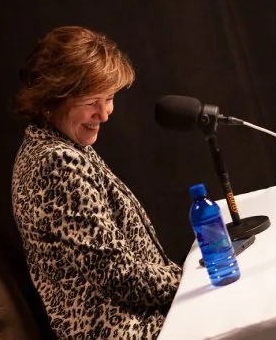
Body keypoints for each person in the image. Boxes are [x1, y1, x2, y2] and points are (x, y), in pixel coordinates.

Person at [11, 26, 182, 339]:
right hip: (127, 330)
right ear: (53, 98)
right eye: (92, 101)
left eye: (110, 98)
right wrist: (190, 283)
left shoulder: (55, 144)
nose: (104, 114)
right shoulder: (57, 162)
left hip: (143, 316)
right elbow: (120, 277)